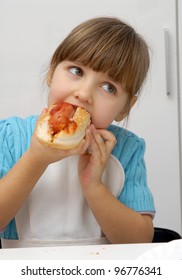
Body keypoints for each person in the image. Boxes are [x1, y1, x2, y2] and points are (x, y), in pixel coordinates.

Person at [0, 17, 155, 248]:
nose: (84, 94)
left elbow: (140, 241)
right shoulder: (12, 136)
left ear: (125, 108)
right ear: (52, 73)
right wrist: (34, 159)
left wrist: (94, 186)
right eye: (76, 71)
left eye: (108, 87)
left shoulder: (126, 149)